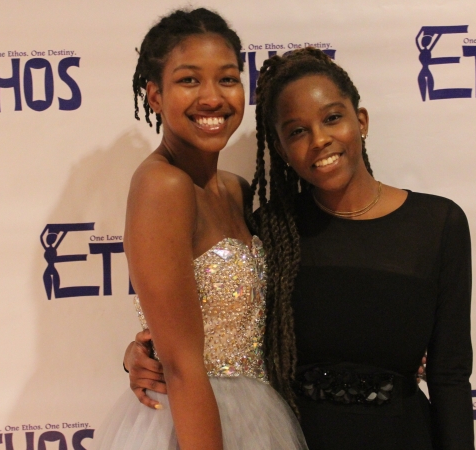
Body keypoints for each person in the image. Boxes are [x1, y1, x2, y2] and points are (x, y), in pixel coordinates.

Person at [126, 48, 474, 449]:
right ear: (281, 149)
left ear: (360, 121)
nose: (320, 140)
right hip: (292, 438)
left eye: (331, 118)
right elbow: (223, 321)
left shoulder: (438, 223)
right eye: (296, 131)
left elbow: (450, 376)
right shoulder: (273, 231)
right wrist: (142, 355)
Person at [95, 8, 306, 450]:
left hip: (255, 415)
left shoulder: (235, 189)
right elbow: (183, 367)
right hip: (191, 422)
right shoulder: (162, 185)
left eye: (227, 79)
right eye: (189, 80)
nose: (212, 98)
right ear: (154, 95)